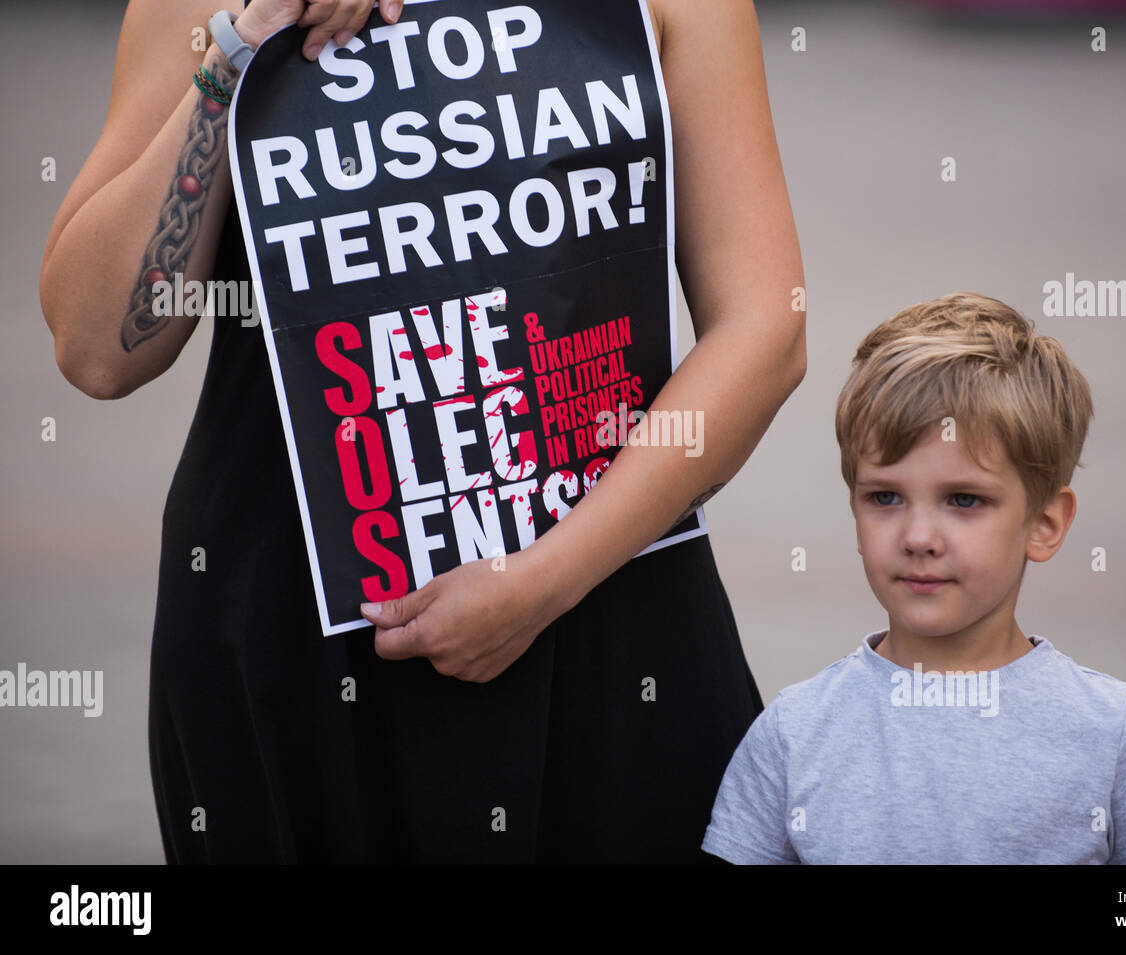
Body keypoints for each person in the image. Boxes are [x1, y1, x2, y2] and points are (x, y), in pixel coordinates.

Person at [39, 0, 805, 862]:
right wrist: (247, 40)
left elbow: (764, 330)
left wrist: (546, 579)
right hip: (299, 634)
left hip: (606, 600)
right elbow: (97, 345)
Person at [701, 292, 1126, 864]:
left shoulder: (1113, 734)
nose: (918, 537)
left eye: (964, 499)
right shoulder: (792, 736)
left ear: (1044, 523)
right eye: (884, 497)